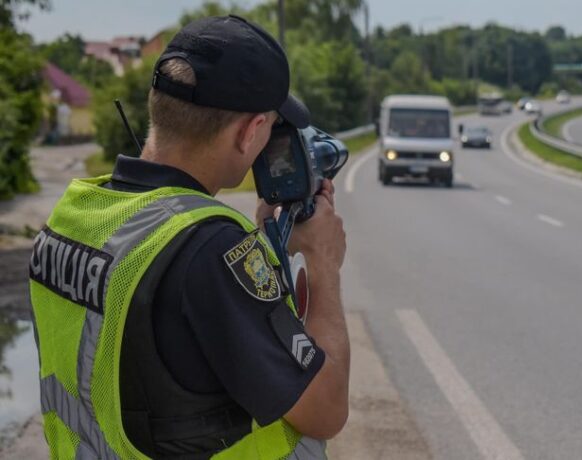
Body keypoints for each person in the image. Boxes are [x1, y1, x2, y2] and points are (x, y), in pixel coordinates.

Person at [28, 15, 349, 459]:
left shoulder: (73, 216)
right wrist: (323, 263)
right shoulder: (212, 250)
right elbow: (326, 410)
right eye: (271, 128)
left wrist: (265, 243)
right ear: (250, 131)